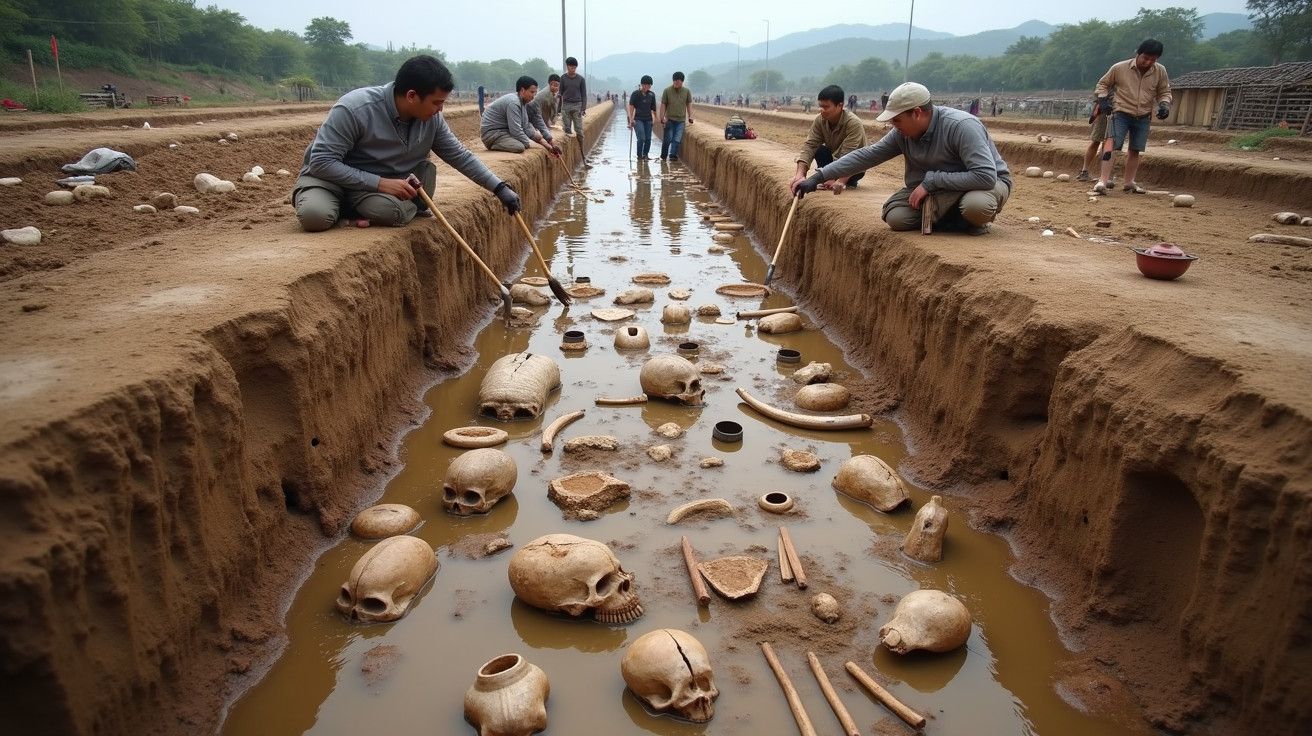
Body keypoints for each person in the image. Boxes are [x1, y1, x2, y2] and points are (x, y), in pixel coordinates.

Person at [294, 55, 520, 232]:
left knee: (393, 212)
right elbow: (322, 162)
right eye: (437, 102)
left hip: (374, 189)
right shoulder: (355, 108)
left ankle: (356, 209)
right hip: (331, 180)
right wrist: (381, 183)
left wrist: (499, 188)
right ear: (412, 96)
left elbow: (460, 155)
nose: (440, 109)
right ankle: (346, 208)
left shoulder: (432, 119)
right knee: (315, 216)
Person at [791, 81, 1011, 235]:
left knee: (975, 207)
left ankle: (963, 218)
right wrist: (817, 177)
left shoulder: (962, 127)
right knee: (896, 217)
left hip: (980, 185)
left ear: (917, 113)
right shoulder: (902, 133)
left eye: (896, 121)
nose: (893, 127)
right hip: (937, 188)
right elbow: (867, 155)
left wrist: (931, 182)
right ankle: (953, 219)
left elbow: (985, 176)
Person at [1092, 39, 1171, 195]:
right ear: (1138, 53)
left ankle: (1129, 183)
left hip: (1143, 115)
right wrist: (1103, 99)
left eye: (1152, 60)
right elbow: (1102, 84)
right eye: (1145, 58)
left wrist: (1164, 105)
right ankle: (1102, 181)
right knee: (1111, 145)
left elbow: (1164, 92)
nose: (1148, 62)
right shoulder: (1119, 68)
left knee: (1135, 149)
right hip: (1120, 111)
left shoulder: (1160, 71)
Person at [790, 85, 868, 194]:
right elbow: (810, 146)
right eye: (820, 106)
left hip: (852, 166)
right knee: (819, 149)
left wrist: (839, 180)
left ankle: (842, 181)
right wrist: (800, 174)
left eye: (826, 107)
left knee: (851, 163)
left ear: (840, 106)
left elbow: (848, 155)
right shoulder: (819, 120)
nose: (821, 110)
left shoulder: (853, 124)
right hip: (832, 163)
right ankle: (828, 178)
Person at [481, 75, 560, 155]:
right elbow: (516, 131)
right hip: (493, 135)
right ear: (522, 90)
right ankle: (493, 145)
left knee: (524, 142)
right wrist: (531, 143)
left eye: (535, 93)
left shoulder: (523, 103)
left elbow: (526, 127)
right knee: (520, 146)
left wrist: (548, 145)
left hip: (504, 131)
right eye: (532, 92)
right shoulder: (514, 103)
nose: (534, 96)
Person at [1078, 92, 1115, 183]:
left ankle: (1104, 176)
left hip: (1118, 114)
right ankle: (1084, 171)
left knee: (1109, 144)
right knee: (1096, 141)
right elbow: (1099, 92)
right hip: (1103, 112)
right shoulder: (1108, 79)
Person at [658, 71, 695, 161]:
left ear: (682, 82)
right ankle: (663, 155)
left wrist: (690, 116)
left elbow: (689, 104)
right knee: (668, 138)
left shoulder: (686, 91)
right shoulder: (667, 91)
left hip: (681, 120)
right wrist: (662, 117)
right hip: (669, 119)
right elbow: (663, 105)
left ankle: (672, 155)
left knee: (677, 139)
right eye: (674, 81)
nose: (676, 83)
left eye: (678, 82)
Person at [559, 57, 587, 150]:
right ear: (567, 66)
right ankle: (568, 148)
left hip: (577, 105)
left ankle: (581, 148)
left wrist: (583, 108)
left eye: (574, 67)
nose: (573, 69)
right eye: (571, 67)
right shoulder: (563, 78)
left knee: (578, 129)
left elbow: (584, 95)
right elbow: (560, 93)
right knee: (566, 128)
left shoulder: (581, 79)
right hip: (566, 105)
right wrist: (558, 109)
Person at [628, 75, 658, 160]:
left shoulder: (652, 95)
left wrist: (654, 119)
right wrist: (631, 119)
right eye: (645, 84)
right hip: (638, 119)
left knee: (648, 139)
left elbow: (653, 109)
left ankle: (645, 155)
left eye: (649, 85)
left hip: (648, 119)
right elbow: (631, 106)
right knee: (641, 138)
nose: (647, 87)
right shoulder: (635, 94)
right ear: (641, 84)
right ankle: (639, 156)